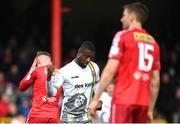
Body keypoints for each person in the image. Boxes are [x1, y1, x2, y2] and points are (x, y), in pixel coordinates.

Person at [88, 2, 161, 123]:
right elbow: (155, 81)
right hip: (143, 103)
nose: (122, 19)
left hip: (123, 100)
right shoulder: (154, 43)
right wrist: (150, 109)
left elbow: (110, 70)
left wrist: (96, 99)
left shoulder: (122, 36)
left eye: (124, 15)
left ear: (132, 17)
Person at [47, 41, 101, 123]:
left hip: (86, 117)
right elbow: (51, 93)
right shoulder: (65, 71)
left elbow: (97, 83)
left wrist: (98, 100)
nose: (88, 60)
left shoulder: (94, 68)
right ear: (79, 53)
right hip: (68, 118)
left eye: (91, 57)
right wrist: (48, 80)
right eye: (86, 56)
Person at [19, 51, 62, 123]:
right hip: (53, 116)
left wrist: (32, 68)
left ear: (37, 62)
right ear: (51, 62)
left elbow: (22, 87)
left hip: (37, 114)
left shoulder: (36, 70)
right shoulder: (61, 73)